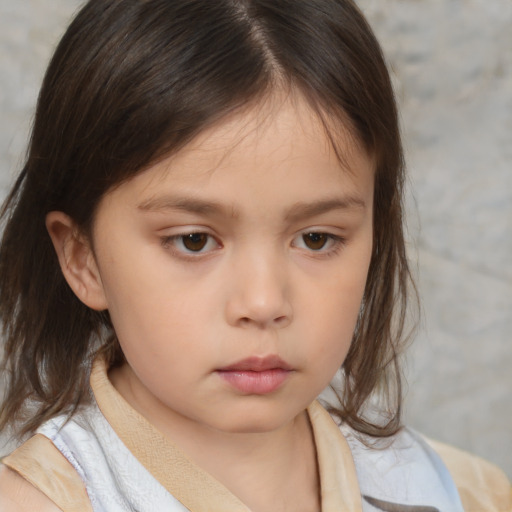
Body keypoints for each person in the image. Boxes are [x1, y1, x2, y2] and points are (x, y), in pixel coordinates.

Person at [0, 0, 510, 510]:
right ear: (82, 257)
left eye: (316, 239)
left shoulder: (456, 492)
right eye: (194, 240)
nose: (264, 302)